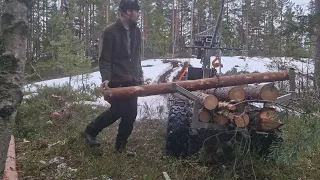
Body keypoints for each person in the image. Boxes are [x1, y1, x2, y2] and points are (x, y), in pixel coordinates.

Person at [81, 0, 143, 156]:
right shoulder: (110, 32)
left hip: (132, 80)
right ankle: (90, 131)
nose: (138, 14)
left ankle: (120, 147)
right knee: (118, 110)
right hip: (117, 79)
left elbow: (136, 57)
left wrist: (140, 75)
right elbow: (105, 59)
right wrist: (106, 78)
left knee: (131, 113)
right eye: (136, 11)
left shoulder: (137, 32)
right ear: (128, 12)